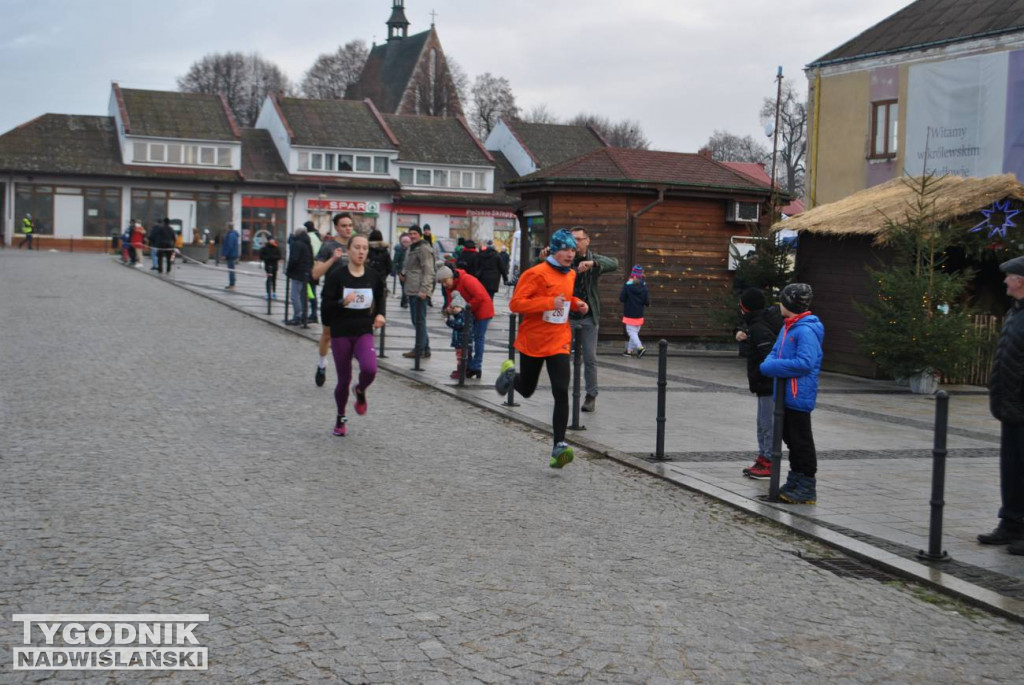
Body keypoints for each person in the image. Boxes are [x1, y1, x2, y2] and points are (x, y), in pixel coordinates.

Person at [495, 229, 588, 468]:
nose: (570, 254)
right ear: (555, 250)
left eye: (572, 251)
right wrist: (548, 302)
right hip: (534, 340)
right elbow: (516, 304)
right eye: (566, 250)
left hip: (559, 340)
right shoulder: (535, 273)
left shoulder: (570, 275)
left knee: (561, 390)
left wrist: (576, 304)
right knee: (526, 389)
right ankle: (509, 376)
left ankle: (559, 446)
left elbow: (564, 300)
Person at [759, 283, 825, 504]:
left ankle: (806, 485)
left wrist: (772, 367)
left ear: (789, 304)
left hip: (798, 395)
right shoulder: (788, 327)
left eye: (782, 301)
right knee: (789, 438)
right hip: (785, 394)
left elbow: (805, 363)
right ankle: (794, 480)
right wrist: (770, 363)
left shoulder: (805, 330)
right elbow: (774, 352)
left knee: (800, 441)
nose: (779, 305)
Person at [320, 234, 386, 437]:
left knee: (370, 368)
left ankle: (361, 389)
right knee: (343, 379)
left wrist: (380, 314)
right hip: (341, 333)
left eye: (364, 248)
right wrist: (341, 302)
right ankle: (341, 418)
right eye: (357, 247)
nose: (361, 251)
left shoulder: (373, 276)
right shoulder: (337, 276)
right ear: (348, 250)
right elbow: (325, 309)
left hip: (364, 331)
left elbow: (381, 296)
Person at [979, 256, 1024, 553]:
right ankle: (1010, 523)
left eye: (1009, 276)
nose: (1005, 281)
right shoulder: (1015, 313)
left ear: (1020, 280)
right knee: (1011, 469)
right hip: (1011, 407)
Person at [735, 288, 784, 479]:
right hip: (764, 384)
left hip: (767, 383)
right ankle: (764, 457)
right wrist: (741, 333)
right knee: (763, 423)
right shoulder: (758, 322)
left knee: (767, 424)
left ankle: (769, 461)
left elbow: (767, 354)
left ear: (745, 307)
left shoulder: (759, 327)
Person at [569, 226, 618, 412]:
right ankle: (562, 392)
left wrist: (593, 264)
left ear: (587, 241)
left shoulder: (593, 259)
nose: (576, 243)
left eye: (579, 239)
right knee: (561, 356)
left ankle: (591, 395)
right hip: (568, 316)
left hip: (589, 316)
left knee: (589, 358)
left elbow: (614, 263)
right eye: (573, 239)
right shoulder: (566, 258)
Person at [311, 213, 354, 386]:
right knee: (327, 335)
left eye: (350, 225)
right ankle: (322, 364)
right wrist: (333, 259)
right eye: (344, 225)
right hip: (331, 298)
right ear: (336, 227)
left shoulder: (356, 245)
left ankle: (344, 373)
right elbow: (315, 273)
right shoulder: (328, 246)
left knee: (348, 337)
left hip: (351, 299)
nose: (348, 228)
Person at [437, 265, 494, 379]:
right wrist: (449, 310)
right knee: (466, 339)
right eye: (441, 283)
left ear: (451, 276)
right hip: (469, 314)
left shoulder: (467, 279)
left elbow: (480, 296)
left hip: (482, 311)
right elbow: (452, 302)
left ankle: (476, 367)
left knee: (478, 338)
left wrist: (464, 309)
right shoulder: (450, 287)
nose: (444, 285)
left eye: (445, 281)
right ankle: (467, 366)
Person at [400, 225, 436, 358]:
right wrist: (403, 273)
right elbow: (410, 266)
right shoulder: (413, 248)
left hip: (419, 291)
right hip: (412, 288)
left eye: (415, 233)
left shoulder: (424, 249)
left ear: (420, 234)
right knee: (417, 320)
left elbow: (429, 271)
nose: (412, 236)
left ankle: (419, 349)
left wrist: (424, 290)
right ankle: (425, 348)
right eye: (410, 233)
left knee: (419, 320)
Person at [619, 264, 651, 357]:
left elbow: (622, 298)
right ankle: (629, 351)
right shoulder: (644, 287)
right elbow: (646, 301)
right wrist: (647, 304)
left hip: (629, 313)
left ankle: (640, 348)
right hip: (639, 313)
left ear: (632, 275)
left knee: (631, 332)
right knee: (634, 333)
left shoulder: (627, 286)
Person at [285, 226, 313, 327]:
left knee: (294, 296)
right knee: (302, 297)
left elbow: (293, 259)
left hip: (297, 273)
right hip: (305, 273)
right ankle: (303, 317)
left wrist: (288, 271)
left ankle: (297, 316)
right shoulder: (307, 243)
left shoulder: (297, 244)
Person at [444, 290, 472, 379]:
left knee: (461, 357)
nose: (455, 308)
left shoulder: (462, 316)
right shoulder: (460, 315)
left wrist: (448, 321)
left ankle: (461, 372)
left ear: (462, 307)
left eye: (457, 307)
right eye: (454, 307)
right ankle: (460, 370)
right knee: (460, 356)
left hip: (462, 341)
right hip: (459, 341)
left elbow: (458, 325)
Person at [305, 222, 322, 324]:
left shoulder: (308, 238)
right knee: (312, 291)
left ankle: (312, 314)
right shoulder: (317, 237)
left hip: (309, 267)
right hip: (317, 267)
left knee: (309, 292)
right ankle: (313, 313)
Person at [393, 233, 411, 308]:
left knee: (406, 287)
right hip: (401, 271)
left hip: (408, 271)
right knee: (404, 287)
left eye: (408, 242)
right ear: (402, 242)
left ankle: (404, 302)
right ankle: (405, 302)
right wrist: (394, 270)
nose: (406, 244)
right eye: (405, 242)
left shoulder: (410, 249)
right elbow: (395, 260)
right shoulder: (399, 250)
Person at [221, 223, 241, 289]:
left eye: (226, 226)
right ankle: (232, 283)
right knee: (231, 269)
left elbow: (229, 245)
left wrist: (225, 254)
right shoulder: (233, 234)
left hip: (231, 254)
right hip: (233, 254)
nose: (225, 228)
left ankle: (232, 284)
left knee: (231, 270)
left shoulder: (231, 235)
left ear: (229, 227)